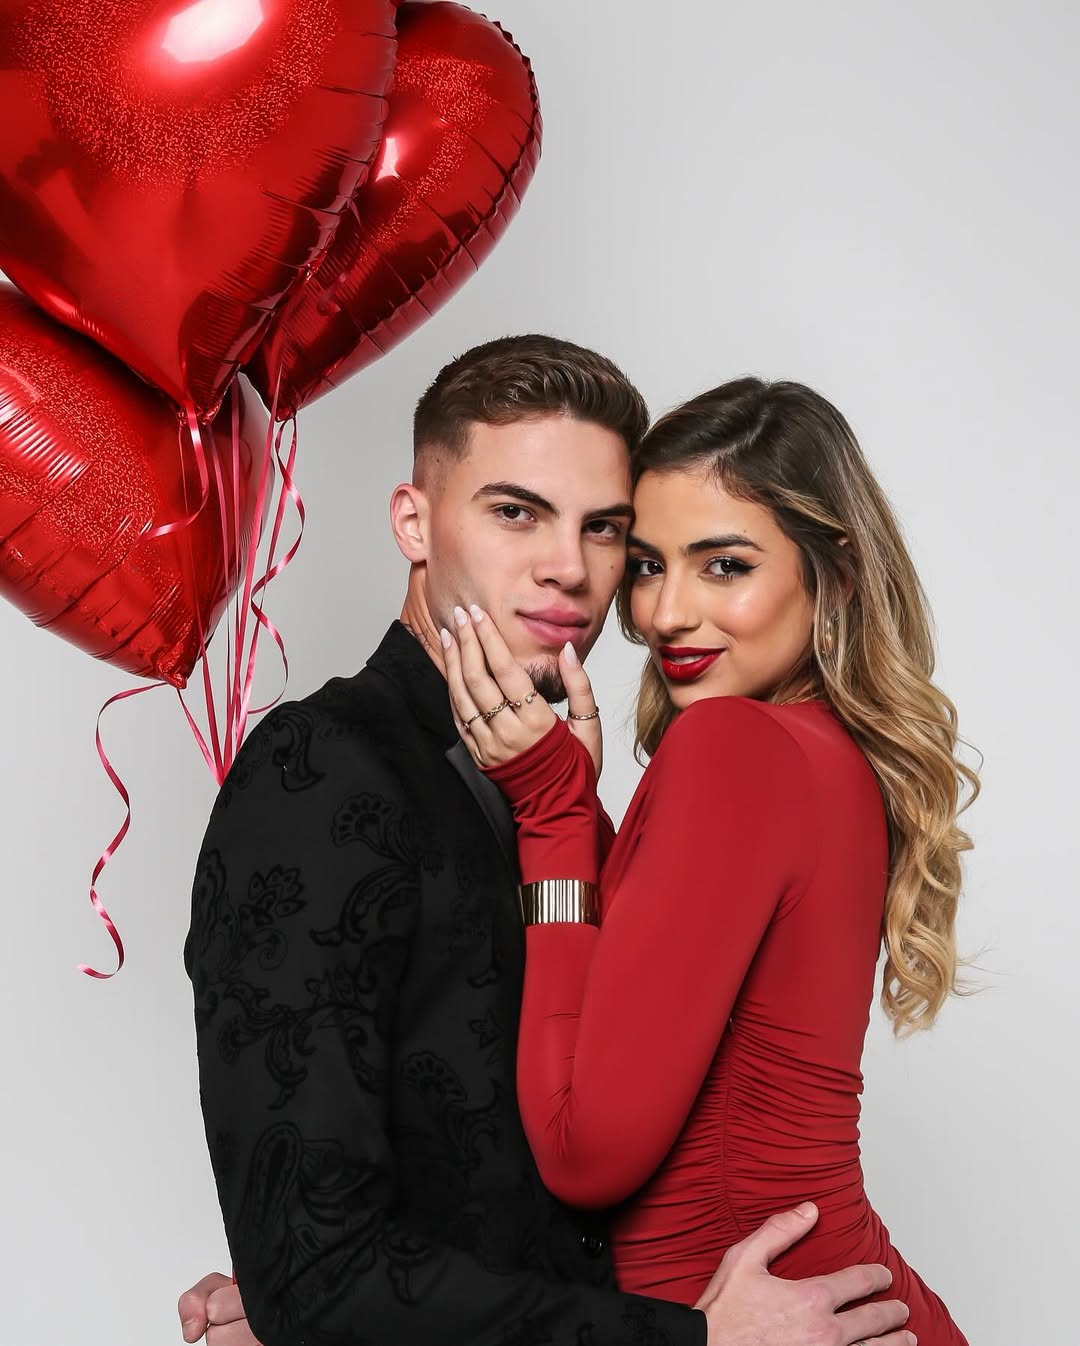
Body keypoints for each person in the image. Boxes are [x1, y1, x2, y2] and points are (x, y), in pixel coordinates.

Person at [180, 340, 914, 1346]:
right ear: (415, 522)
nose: (570, 567)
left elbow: (514, 1189)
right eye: (516, 512)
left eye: (604, 529)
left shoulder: (544, 779)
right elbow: (319, 1270)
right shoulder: (319, 771)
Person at [440, 377, 976, 1343]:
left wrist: (555, 810)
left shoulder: (734, 747)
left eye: (724, 566)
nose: (667, 614)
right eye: (648, 565)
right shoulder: (823, 754)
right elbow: (662, 992)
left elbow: (583, 1155)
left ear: (835, 575)